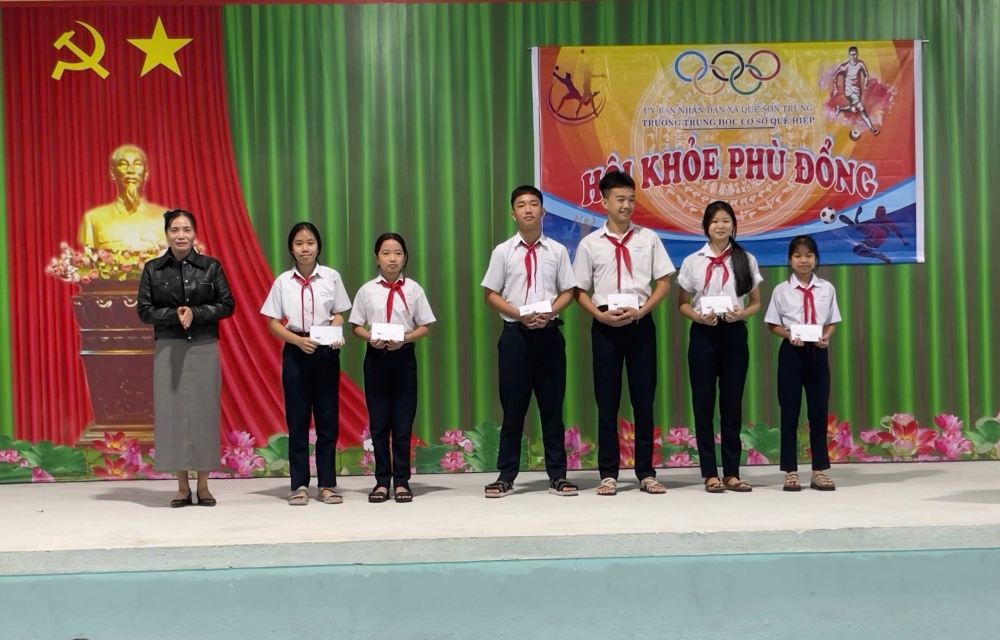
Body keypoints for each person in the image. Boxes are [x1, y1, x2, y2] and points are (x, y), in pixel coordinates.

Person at [573, 171, 675, 496]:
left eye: (631, 199)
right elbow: (578, 291)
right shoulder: (590, 244)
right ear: (604, 202)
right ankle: (608, 474)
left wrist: (643, 311)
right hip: (605, 326)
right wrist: (600, 317)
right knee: (607, 402)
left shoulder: (649, 238)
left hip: (640, 322)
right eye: (620, 199)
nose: (627, 205)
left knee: (643, 400)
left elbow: (664, 283)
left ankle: (646, 473)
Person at [481, 186, 578, 498]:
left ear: (543, 211)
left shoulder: (557, 251)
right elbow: (490, 294)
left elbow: (569, 291)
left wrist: (550, 312)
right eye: (521, 205)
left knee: (552, 410)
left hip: (549, 336)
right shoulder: (503, 251)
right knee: (513, 411)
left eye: (534, 204)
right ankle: (506, 476)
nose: (528, 209)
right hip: (515, 338)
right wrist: (519, 315)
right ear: (513, 214)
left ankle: (558, 476)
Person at [137, 209, 235, 507]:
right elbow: (144, 310)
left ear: (194, 233)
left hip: (204, 346)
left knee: (204, 414)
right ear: (167, 234)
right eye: (175, 230)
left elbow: (227, 304)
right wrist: (174, 314)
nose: (181, 235)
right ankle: (181, 487)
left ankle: (203, 486)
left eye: (187, 229)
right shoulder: (153, 269)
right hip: (169, 347)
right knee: (173, 416)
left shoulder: (210, 266)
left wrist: (197, 312)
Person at [260, 222, 350, 506]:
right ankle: (298, 485)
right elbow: (273, 323)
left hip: (325, 353)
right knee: (297, 421)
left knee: (327, 420)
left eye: (310, 242)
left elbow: (339, 313)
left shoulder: (331, 277)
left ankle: (327, 484)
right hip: (296, 352)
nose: (305, 248)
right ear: (291, 249)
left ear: (318, 246)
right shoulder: (283, 282)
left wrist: (334, 330)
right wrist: (298, 341)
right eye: (299, 243)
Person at [677, 201, 763, 493]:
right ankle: (709, 474)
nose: (720, 226)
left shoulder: (745, 259)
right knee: (703, 406)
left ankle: (732, 473)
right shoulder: (693, 261)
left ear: (733, 225)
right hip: (703, 336)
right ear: (706, 226)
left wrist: (741, 314)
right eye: (714, 221)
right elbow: (682, 304)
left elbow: (755, 303)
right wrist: (698, 317)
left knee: (732, 405)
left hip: (734, 334)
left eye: (726, 221)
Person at [349, 233, 435, 503]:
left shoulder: (414, 290)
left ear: (405, 258)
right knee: (379, 425)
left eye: (398, 253)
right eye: (386, 253)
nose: (392, 259)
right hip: (376, 358)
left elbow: (425, 325)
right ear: (377, 258)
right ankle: (381, 482)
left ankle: (401, 482)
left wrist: (405, 339)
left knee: (402, 423)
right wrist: (369, 338)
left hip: (404, 358)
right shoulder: (367, 290)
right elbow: (355, 326)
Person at [764, 235, 841, 491]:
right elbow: (772, 324)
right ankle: (791, 471)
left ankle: (819, 471)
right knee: (789, 413)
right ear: (790, 259)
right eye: (797, 255)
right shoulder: (781, 290)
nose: (803, 260)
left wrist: (826, 337)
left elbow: (832, 321)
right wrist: (789, 335)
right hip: (791, 354)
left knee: (818, 413)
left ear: (816, 258)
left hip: (818, 353)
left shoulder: (827, 289)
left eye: (809, 255)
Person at [77, 145, 169, 252]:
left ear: (146, 173)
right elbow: (89, 258)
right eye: (124, 164)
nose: (131, 170)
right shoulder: (93, 218)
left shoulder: (167, 218)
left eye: (137, 164)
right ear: (112, 173)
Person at [832, 46, 879, 136]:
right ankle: (873, 129)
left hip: (858, 92)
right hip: (849, 92)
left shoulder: (860, 64)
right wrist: (835, 88)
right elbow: (835, 76)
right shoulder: (845, 66)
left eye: (854, 54)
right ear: (849, 55)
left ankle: (840, 108)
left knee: (854, 109)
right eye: (851, 55)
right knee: (861, 109)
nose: (853, 57)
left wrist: (865, 83)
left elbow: (866, 74)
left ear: (857, 54)